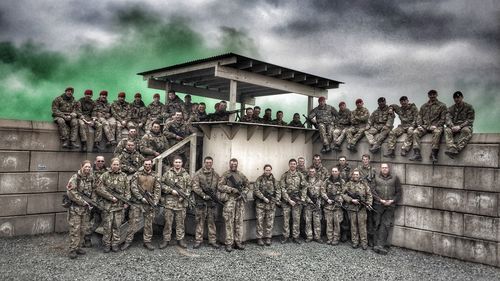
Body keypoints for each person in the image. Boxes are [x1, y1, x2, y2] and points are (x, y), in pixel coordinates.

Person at [122, 159, 161, 251]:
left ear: (152, 165)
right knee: (133, 222)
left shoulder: (156, 175)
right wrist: (140, 198)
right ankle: (128, 241)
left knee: (149, 223)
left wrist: (155, 201)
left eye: (149, 164)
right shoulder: (137, 174)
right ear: (143, 165)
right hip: (137, 202)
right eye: (146, 164)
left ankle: (147, 242)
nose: (147, 166)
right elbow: (133, 187)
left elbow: (158, 189)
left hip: (149, 203)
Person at [95, 158, 129, 253]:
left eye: (117, 164)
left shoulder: (124, 176)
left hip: (119, 207)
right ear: (111, 165)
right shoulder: (105, 175)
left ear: (120, 165)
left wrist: (126, 201)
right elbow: (99, 189)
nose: (116, 166)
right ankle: (106, 244)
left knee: (117, 226)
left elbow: (127, 190)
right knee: (107, 226)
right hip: (107, 206)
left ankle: (115, 244)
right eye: (114, 164)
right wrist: (111, 197)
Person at [218, 158, 250, 252]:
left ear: (237, 164)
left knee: (239, 222)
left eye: (235, 164)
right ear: (229, 164)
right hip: (230, 201)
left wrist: (243, 193)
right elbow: (220, 186)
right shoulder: (226, 175)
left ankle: (238, 242)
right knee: (229, 222)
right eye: (232, 164)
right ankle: (229, 243)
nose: (233, 166)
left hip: (239, 201)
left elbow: (248, 186)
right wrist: (231, 189)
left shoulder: (241, 175)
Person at [66, 160, 96, 259]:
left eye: (89, 167)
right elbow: (71, 193)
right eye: (86, 166)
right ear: (81, 166)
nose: (87, 168)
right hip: (75, 209)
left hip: (86, 210)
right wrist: (83, 202)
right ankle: (72, 249)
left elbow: (95, 190)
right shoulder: (75, 178)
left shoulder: (91, 178)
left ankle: (78, 247)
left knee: (83, 229)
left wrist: (92, 201)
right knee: (75, 230)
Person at [160, 156, 192, 249]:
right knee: (168, 223)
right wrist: (170, 190)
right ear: (173, 163)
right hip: (169, 203)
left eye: (179, 162)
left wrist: (185, 196)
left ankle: (180, 239)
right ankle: (166, 240)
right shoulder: (167, 174)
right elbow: (161, 184)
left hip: (181, 204)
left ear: (182, 163)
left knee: (180, 223)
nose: (177, 164)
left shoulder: (186, 175)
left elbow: (190, 187)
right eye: (176, 162)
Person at [409, 90, 447, 163]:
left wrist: (436, 126)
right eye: (430, 94)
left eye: (434, 94)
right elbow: (419, 117)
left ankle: (434, 154)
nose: (432, 96)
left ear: (437, 95)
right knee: (415, 132)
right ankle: (417, 154)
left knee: (438, 132)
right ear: (428, 95)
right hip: (425, 126)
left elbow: (443, 119)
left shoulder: (442, 106)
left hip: (436, 126)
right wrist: (419, 125)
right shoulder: (424, 106)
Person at [191, 156, 221, 249]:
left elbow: (218, 187)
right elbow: (195, 187)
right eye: (207, 162)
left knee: (212, 222)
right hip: (201, 202)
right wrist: (203, 195)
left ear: (212, 163)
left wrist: (216, 197)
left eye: (210, 162)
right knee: (200, 221)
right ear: (204, 163)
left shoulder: (215, 175)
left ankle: (212, 241)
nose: (208, 164)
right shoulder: (198, 174)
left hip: (211, 203)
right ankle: (198, 240)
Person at [372, 163, 401, 255]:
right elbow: (372, 191)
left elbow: (399, 191)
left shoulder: (395, 178)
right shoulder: (376, 178)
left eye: (386, 167)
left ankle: (381, 245)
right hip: (378, 204)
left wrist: (392, 201)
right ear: (380, 169)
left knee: (386, 224)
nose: (384, 169)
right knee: (376, 223)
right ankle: (375, 243)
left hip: (390, 205)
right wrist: (380, 200)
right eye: (383, 168)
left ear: (389, 168)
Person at [342, 169, 373, 250]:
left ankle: (364, 243)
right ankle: (355, 242)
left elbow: (369, 195)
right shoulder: (348, 184)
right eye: (354, 174)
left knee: (362, 226)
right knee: (353, 226)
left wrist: (368, 203)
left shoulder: (364, 184)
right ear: (352, 175)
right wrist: (351, 200)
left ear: (359, 175)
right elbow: (343, 194)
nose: (355, 176)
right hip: (352, 208)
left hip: (362, 208)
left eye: (357, 174)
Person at [279, 159, 306, 244]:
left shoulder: (300, 175)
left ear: (296, 165)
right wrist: (289, 200)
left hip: (297, 201)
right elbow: (282, 188)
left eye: (294, 164)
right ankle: (286, 236)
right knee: (286, 220)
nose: (293, 165)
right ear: (289, 165)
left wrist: (303, 198)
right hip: (287, 201)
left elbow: (304, 187)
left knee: (296, 219)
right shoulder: (285, 175)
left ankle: (295, 237)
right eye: (291, 164)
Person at [253, 164, 280, 246]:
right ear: (264, 170)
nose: (267, 171)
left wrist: (277, 199)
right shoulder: (259, 179)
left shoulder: (274, 181)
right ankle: (259, 238)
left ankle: (268, 237)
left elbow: (278, 190)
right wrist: (263, 198)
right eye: (266, 170)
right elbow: (255, 190)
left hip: (271, 205)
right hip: (260, 205)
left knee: (270, 222)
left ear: (271, 170)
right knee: (259, 222)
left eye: (269, 170)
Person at [444, 91, 475, 158]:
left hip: (464, 126)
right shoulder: (451, 108)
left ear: (462, 97)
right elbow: (448, 119)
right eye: (455, 98)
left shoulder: (469, 107)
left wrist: (460, 126)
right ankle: (451, 148)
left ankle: (457, 149)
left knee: (466, 131)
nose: (456, 99)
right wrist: (452, 126)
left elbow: (470, 120)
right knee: (447, 130)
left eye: (458, 97)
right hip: (454, 127)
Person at [357, 154, 376, 246]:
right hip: (361, 197)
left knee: (370, 220)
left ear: (369, 160)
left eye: (366, 159)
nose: (365, 161)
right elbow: (353, 178)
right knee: (361, 220)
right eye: (363, 159)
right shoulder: (358, 169)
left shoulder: (373, 170)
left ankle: (370, 238)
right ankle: (360, 239)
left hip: (371, 197)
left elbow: (375, 183)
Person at [322, 167, 345, 245]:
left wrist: (339, 199)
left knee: (337, 223)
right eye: (333, 171)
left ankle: (336, 238)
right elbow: (322, 191)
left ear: (338, 172)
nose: (334, 172)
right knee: (329, 223)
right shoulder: (326, 181)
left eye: (336, 171)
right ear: (331, 172)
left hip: (337, 206)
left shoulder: (342, 182)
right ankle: (329, 238)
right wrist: (327, 199)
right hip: (328, 205)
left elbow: (344, 193)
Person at [303, 167, 323, 243]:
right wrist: (309, 200)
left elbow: (322, 192)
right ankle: (309, 236)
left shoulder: (320, 181)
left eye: (313, 171)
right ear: (308, 172)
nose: (311, 173)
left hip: (317, 204)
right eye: (310, 171)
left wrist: (319, 201)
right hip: (308, 204)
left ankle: (317, 236)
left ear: (315, 172)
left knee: (317, 221)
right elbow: (303, 193)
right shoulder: (305, 181)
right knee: (308, 221)